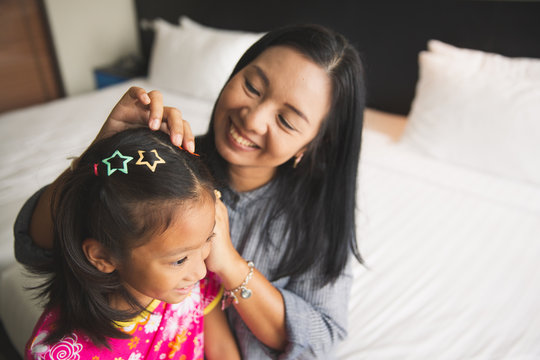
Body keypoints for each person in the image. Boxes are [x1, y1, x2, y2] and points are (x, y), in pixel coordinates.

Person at [15, 24, 366, 359]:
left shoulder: (319, 216)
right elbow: (34, 248)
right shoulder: (166, 163)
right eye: (253, 88)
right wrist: (101, 150)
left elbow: (318, 345)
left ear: (317, 143)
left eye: (286, 121)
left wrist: (229, 264)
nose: (253, 119)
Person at [22, 128, 240, 360]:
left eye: (208, 239)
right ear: (103, 257)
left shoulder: (190, 284)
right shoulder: (63, 354)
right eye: (179, 260)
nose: (201, 270)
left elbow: (223, 351)